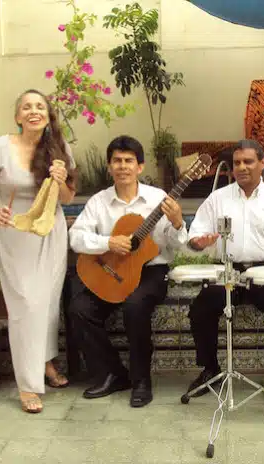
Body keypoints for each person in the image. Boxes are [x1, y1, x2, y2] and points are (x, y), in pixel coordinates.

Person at [0, 89, 77, 414]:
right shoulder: (0, 146)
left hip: (50, 232)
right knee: (25, 304)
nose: (33, 111)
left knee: (47, 303)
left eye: (39, 106)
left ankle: (45, 363)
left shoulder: (59, 147)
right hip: (16, 234)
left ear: (47, 114)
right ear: (18, 116)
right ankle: (28, 385)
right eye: (26, 107)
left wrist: (63, 179)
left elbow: (68, 198)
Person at [66, 135, 187, 408]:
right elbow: (76, 238)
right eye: (117, 161)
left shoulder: (160, 199)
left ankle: (141, 380)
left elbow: (178, 245)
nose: (123, 166)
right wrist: (107, 242)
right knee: (79, 308)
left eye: (128, 161)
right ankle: (112, 373)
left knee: (135, 306)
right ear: (109, 167)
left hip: (151, 273)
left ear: (140, 167)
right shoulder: (98, 202)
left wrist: (178, 222)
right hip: (113, 271)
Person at [185, 139, 264, 403]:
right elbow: (195, 236)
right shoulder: (217, 198)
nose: (242, 167)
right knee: (201, 309)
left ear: (262, 164)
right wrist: (199, 242)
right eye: (237, 163)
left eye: (248, 161)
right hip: (227, 271)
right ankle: (210, 369)